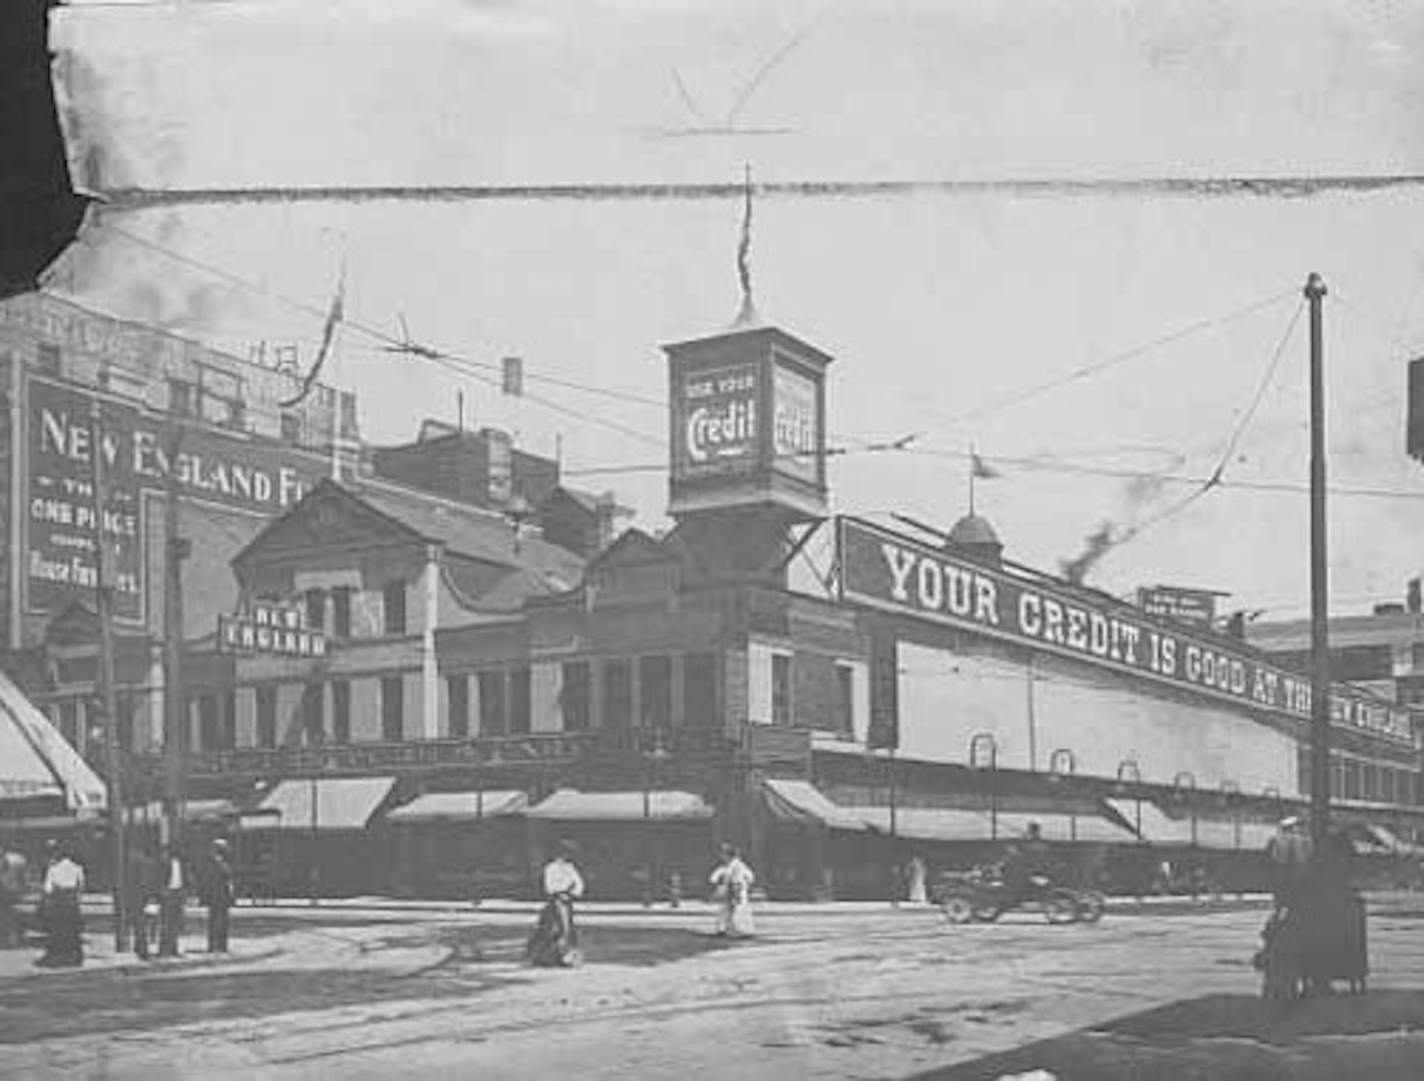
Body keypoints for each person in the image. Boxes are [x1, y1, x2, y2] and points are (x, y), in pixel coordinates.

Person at [527, 843, 584, 967]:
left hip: (567, 901)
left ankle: (566, 956)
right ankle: (544, 956)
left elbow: (578, 883)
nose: (563, 858)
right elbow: (549, 885)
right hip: (555, 900)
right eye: (561, 855)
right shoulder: (550, 868)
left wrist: (572, 892)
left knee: (567, 929)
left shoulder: (570, 868)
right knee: (551, 929)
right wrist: (559, 891)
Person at [37, 842, 84, 967]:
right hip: (72, 902)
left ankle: (58, 956)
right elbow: (81, 887)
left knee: (58, 931)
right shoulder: (77, 868)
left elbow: (48, 889)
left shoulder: (53, 869)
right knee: (72, 931)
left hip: (58, 902)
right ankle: (74, 957)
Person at [709, 843, 755, 938]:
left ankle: (739, 930)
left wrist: (736, 890)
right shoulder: (729, 865)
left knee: (737, 910)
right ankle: (724, 929)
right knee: (727, 910)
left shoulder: (737, 865)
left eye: (723, 854)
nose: (722, 857)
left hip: (736, 890)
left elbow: (743, 878)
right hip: (732, 890)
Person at [124, 843, 160, 960]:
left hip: (141, 898)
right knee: (144, 924)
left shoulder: (141, 866)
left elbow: (145, 883)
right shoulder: (145, 866)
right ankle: (141, 947)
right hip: (142, 897)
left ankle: (141, 948)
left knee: (141, 924)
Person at [203, 839, 235, 954]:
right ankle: (214, 946)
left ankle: (222, 946)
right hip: (216, 896)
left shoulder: (224, 863)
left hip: (223, 896)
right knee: (215, 921)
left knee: (223, 922)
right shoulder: (213, 864)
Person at [159, 843, 186, 957]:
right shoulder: (164, 864)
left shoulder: (182, 865)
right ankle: (164, 949)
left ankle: (174, 948)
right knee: (166, 923)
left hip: (178, 893)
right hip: (169, 893)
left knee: (176, 923)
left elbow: (185, 879)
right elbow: (160, 879)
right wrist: (163, 891)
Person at [0, 847, 26, 949]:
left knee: (9, 918)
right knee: (9, 918)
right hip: (9, 892)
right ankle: (11, 940)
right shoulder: (16, 861)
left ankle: (11, 940)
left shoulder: (13, 862)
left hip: (7, 893)